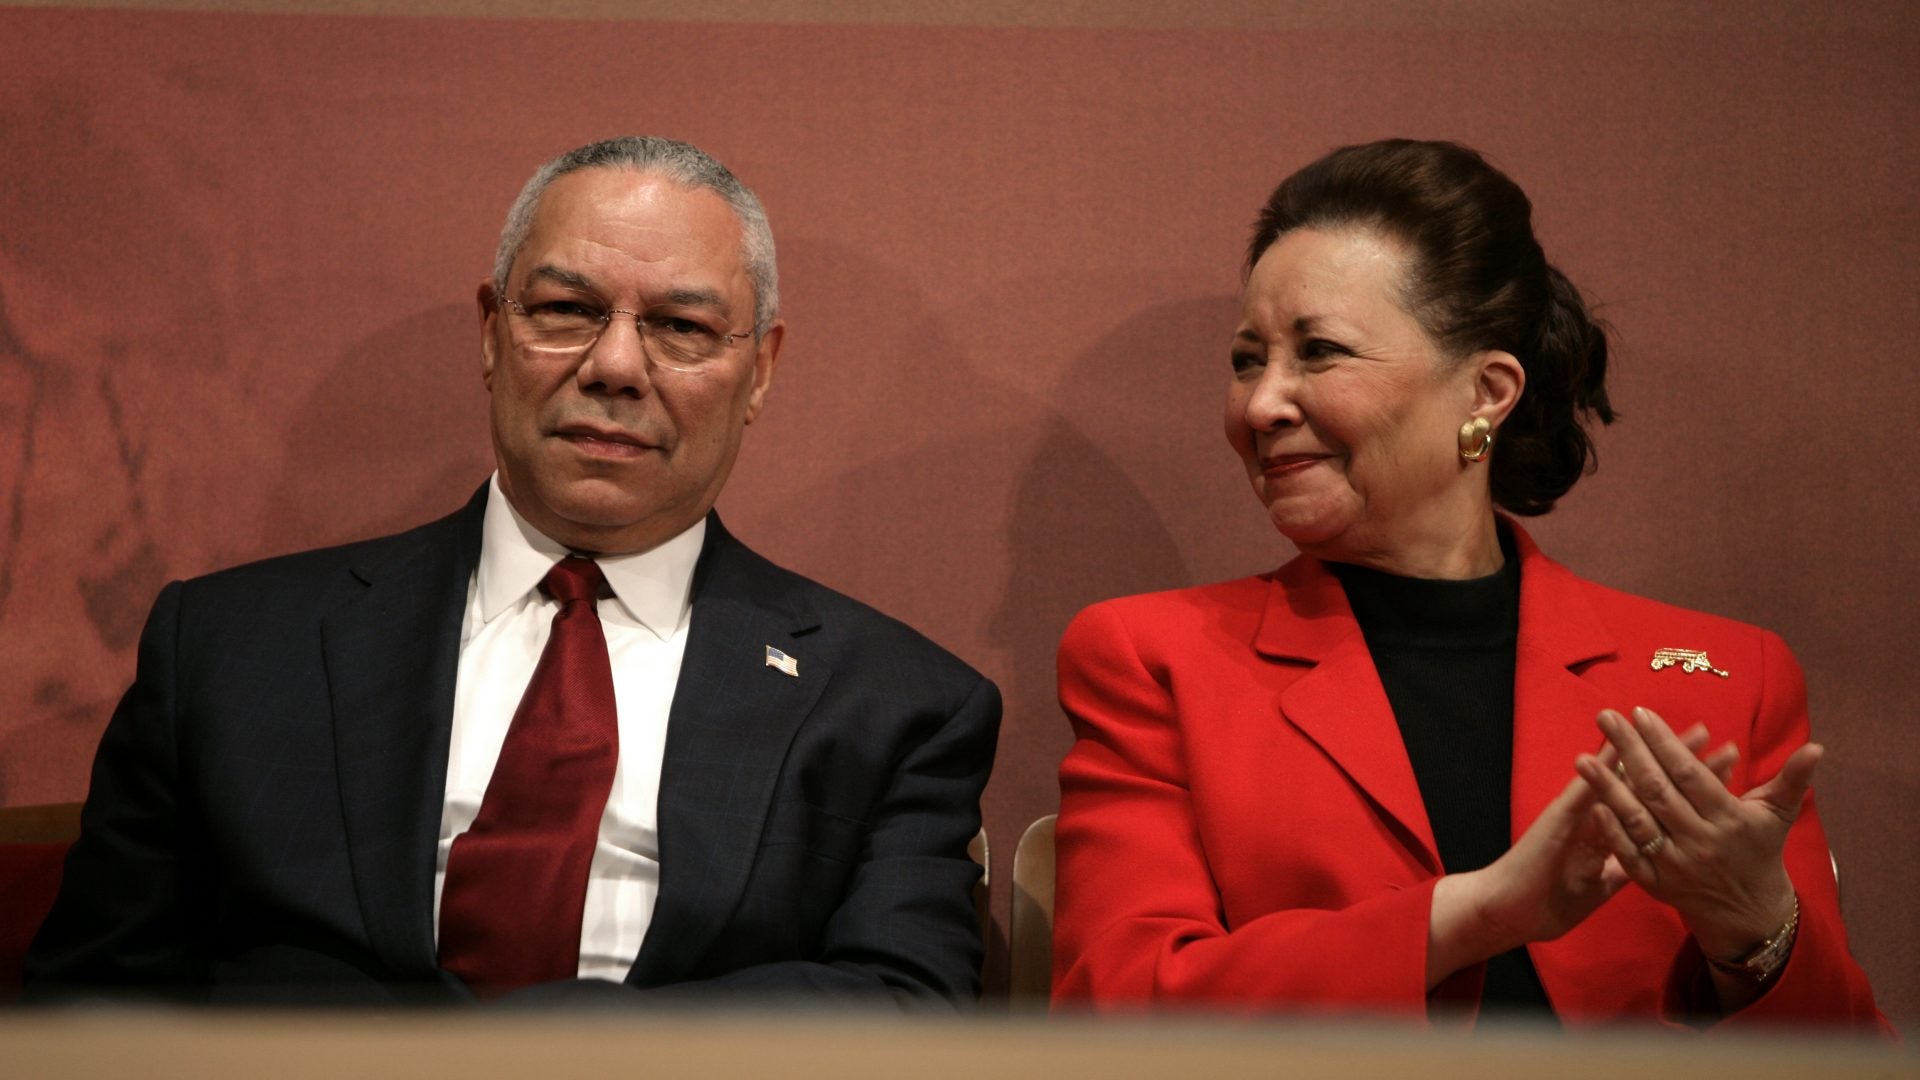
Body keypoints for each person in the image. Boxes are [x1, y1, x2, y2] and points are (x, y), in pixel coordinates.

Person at [27, 136, 1000, 1007]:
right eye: (569, 310)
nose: (616, 365)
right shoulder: (230, 651)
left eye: (682, 328)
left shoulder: (893, 704)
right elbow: (92, 1008)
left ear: (762, 372)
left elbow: (905, 1005)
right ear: (492, 332)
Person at [1050, 139, 1887, 1030]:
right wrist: (1479, 914)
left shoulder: (1727, 676)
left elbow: (1839, 1053)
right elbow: (1117, 1010)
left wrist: (1755, 931)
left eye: (1319, 352)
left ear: (1487, 392)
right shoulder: (1153, 658)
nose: (1261, 405)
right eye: (1249, 358)